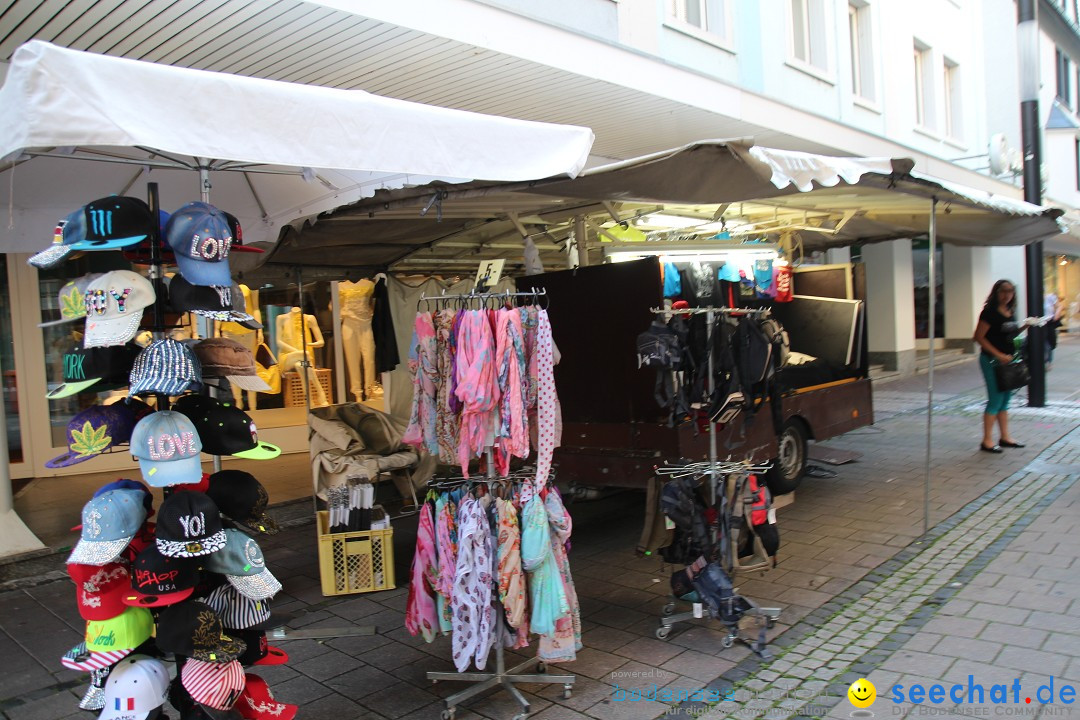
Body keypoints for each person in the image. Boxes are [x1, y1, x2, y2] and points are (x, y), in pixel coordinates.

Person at [972, 279, 1032, 453]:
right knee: (995, 399)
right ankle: (987, 440)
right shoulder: (989, 312)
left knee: (1006, 399)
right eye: (1003, 291)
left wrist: (1025, 327)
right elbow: (978, 337)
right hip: (991, 361)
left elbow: (1008, 334)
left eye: (1010, 291)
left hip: (1007, 361)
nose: (1007, 294)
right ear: (996, 292)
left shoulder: (1009, 311)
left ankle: (1005, 437)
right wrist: (998, 354)